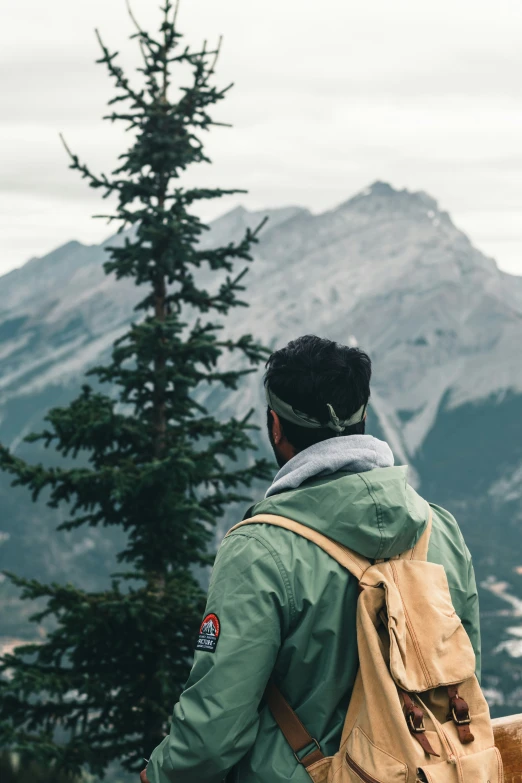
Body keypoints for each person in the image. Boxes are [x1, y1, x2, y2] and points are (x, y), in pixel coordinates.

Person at [142, 335, 480, 783]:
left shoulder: (260, 550)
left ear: (276, 426)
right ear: (363, 417)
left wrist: (157, 776)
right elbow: (461, 669)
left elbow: (215, 729)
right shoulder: (439, 530)